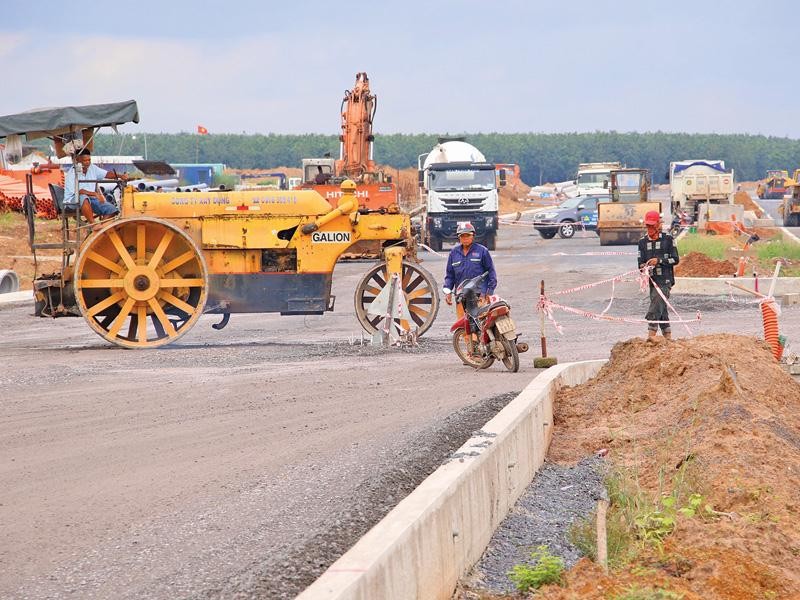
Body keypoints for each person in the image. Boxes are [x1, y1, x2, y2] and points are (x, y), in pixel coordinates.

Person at [638, 210, 679, 340]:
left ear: (658, 225)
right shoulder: (642, 242)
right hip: (652, 282)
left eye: (652, 225)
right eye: (647, 226)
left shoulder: (668, 239)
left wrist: (660, 261)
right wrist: (644, 267)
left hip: (665, 281)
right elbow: (640, 263)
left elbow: (675, 259)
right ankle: (668, 338)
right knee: (661, 308)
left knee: (656, 306)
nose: (649, 229)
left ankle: (651, 337)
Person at [443, 222, 497, 316]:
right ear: (459, 238)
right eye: (462, 236)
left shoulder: (482, 251)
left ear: (473, 236)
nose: (465, 238)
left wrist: (489, 292)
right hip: (461, 297)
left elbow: (491, 273)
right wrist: (447, 291)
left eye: (468, 235)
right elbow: (450, 275)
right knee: (462, 327)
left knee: (480, 325)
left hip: (479, 296)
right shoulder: (453, 253)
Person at [63, 149, 127, 225]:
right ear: (77, 160)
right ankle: (93, 224)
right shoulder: (72, 173)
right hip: (73, 200)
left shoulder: (92, 168)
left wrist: (120, 176)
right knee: (83, 197)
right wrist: (95, 194)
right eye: (84, 160)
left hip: (91, 199)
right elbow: (78, 191)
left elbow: (107, 174)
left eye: (89, 160)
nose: (87, 162)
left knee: (112, 209)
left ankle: (100, 229)